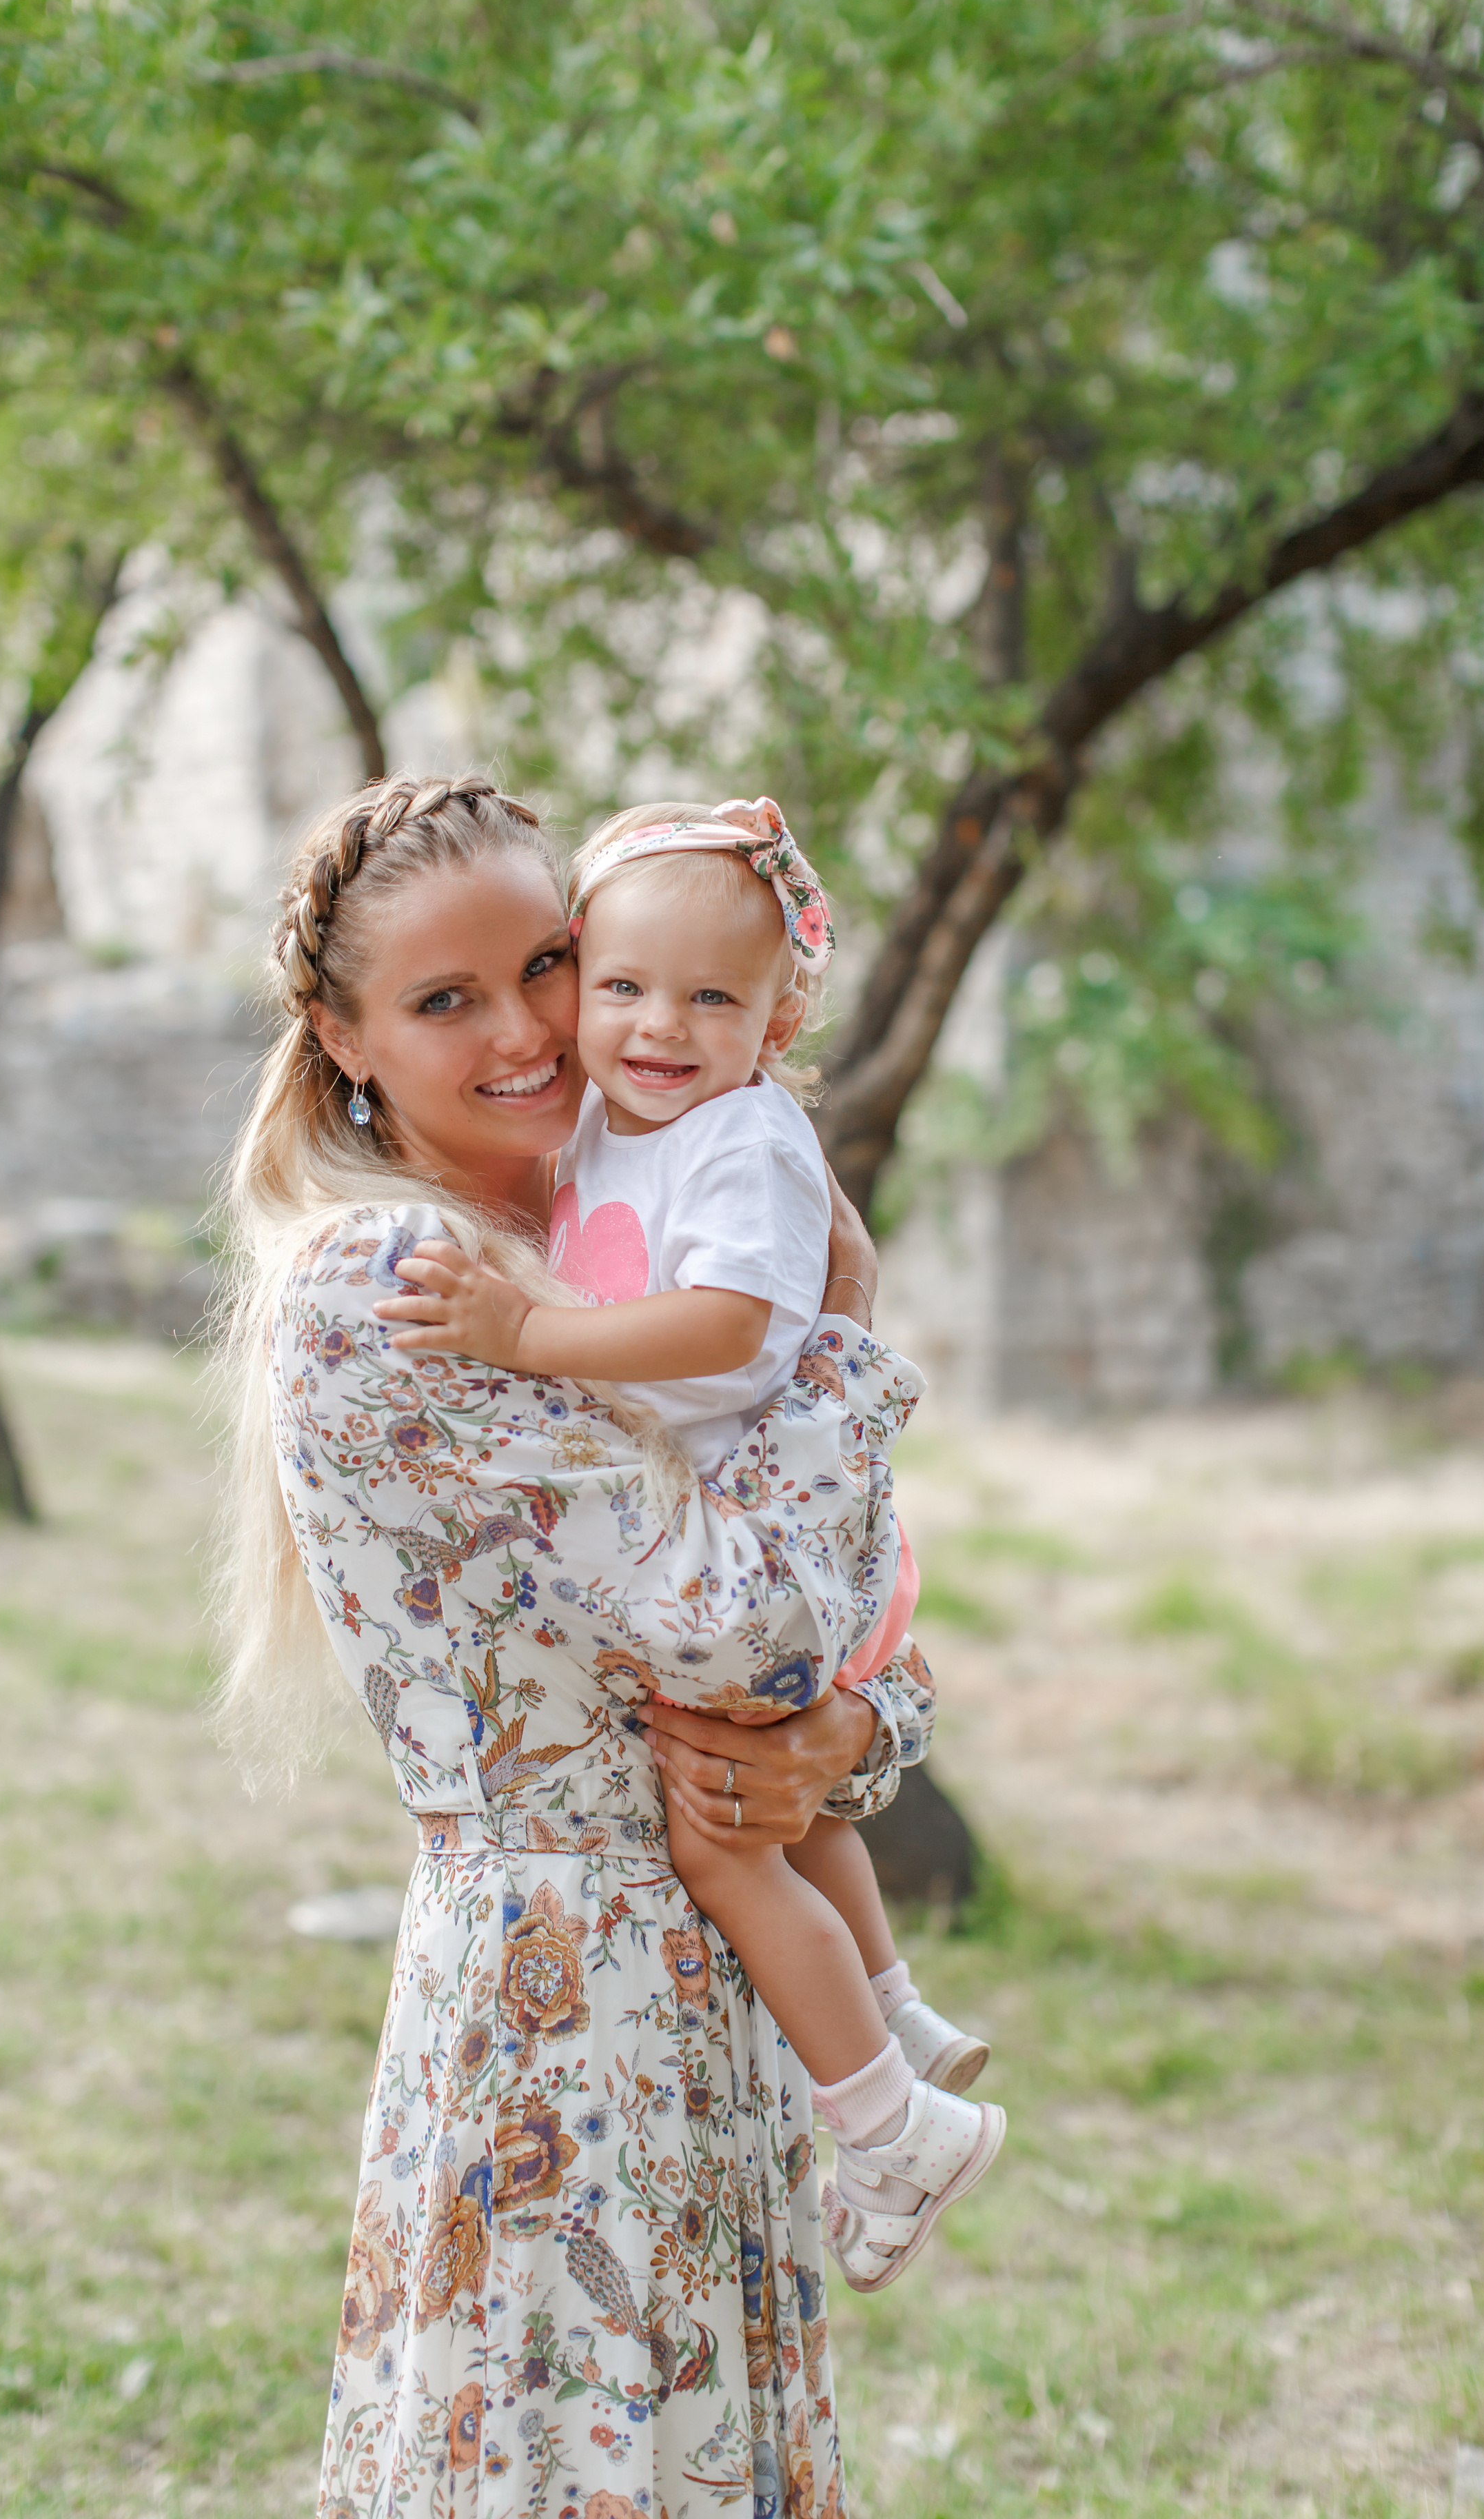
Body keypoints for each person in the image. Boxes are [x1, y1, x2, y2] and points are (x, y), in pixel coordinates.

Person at [216, 773, 946, 2519]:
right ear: (345, 1041)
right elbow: (745, 1624)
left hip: (704, 1983)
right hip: (571, 2015)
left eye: (547, 963)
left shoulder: (601, 1250)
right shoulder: (395, 1290)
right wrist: (841, 1337)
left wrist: (851, 1744)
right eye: (444, 1000)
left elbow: (834, 1650)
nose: (533, 1031)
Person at [374, 797, 1004, 2297]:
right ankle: (892, 2010)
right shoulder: (610, 1117)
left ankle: (888, 2126)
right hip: (724, 1525)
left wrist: (526, 1333)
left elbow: (729, 1328)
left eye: (711, 997)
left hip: (775, 1530)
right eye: (621, 986)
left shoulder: (744, 1138)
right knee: (781, 1809)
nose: (659, 1025)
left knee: (721, 1838)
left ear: (779, 1020)